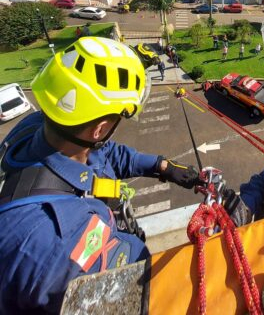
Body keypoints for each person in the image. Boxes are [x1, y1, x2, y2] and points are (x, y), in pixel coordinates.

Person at [0, 37, 199, 314]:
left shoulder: (42, 127)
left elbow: (104, 153)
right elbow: (141, 285)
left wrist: (161, 166)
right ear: (99, 130)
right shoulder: (62, 239)